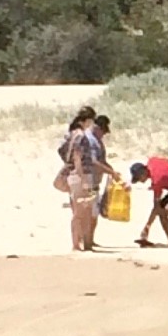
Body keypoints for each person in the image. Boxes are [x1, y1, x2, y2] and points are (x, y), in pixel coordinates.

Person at [56, 105, 107, 251]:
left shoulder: (71, 134)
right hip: (81, 174)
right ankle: (80, 245)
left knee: (79, 210)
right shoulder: (80, 135)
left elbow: (62, 151)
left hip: (74, 174)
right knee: (82, 211)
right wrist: (82, 177)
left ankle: (80, 243)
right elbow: (78, 157)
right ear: (88, 120)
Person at [135, 147, 168, 247]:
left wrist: (147, 226)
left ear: (143, 173)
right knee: (162, 211)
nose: (139, 181)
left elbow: (155, 207)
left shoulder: (156, 180)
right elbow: (166, 160)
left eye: (138, 178)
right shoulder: (151, 162)